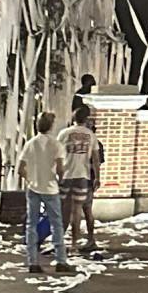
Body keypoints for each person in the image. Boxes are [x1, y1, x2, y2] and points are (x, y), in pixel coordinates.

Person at [18, 111, 75, 274]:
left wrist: (30, 179)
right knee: (57, 223)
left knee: (32, 224)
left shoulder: (30, 143)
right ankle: (60, 260)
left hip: (33, 187)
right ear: (51, 126)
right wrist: (60, 177)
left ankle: (32, 262)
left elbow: (21, 168)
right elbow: (59, 166)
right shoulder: (56, 144)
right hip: (50, 188)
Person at [56, 106, 97, 256]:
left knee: (64, 211)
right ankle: (74, 244)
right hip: (82, 176)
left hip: (66, 176)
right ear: (86, 119)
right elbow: (96, 158)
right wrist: (97, 177)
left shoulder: (64, 134)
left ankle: (60, 242)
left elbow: (57, 155)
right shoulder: (90, 135)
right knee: (78, 211)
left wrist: (57, 173)